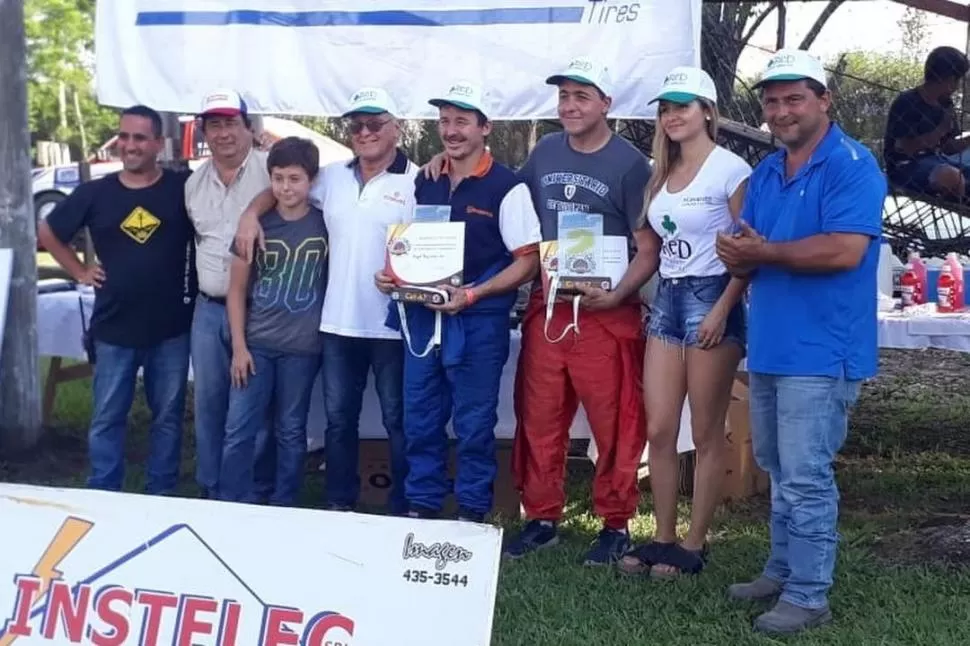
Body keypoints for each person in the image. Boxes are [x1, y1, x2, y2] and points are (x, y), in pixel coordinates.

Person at [715, 49, 885, 635]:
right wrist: (740, 251)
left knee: (807, 473)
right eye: (772, 101)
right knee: (776, 465)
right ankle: (782, 569)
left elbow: (845, 250)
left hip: (823, 348)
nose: (782, 111)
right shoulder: (767, 171)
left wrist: (759, 253)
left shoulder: (852, 165)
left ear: (823, 101)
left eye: (794, 99)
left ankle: (810, 594)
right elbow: (748, 241)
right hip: (772, 343)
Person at [233, 88, 417, 514]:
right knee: (338, 422)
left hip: (393, 323)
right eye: (357, 125)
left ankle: (406, 504)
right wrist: (249, 214)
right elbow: (281, 190)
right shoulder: (332, 176)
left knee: (397, 420)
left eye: (375, 123)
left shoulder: (418, 179)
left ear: (396, 128)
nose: (365, 132)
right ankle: (339, 501)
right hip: (336, 325)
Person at [504, 58, 655, 565]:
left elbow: (647, 246)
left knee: (614, 423)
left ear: (606, 104)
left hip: (605, 313)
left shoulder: (631, 165)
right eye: (564, 96)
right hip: (550, 308)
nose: (569, 106)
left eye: (581, 97)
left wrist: (618, 296)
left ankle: (615, 523)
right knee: (540, 418)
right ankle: (541, 516)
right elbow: (511, 201)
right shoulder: (545, 152)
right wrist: (448, 163)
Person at [376, 82, 541, 522]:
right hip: (423, 318)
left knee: (473, 424)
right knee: (421, 420)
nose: (451, 131)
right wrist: (392, 276)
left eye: (462, 122)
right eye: (445, 121)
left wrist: (474, 294)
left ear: (484, 128)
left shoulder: (508, 187)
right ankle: (423, 505)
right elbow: (410, 248)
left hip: (478, 322)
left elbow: (528, 262)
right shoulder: (425, 180)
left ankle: (471, 510)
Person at [618, 67, 750, 578]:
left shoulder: (730, 170)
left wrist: (722, 308)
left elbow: (748, 248)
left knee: (706, 429)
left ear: (708, 111)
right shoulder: (660, 172)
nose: (672, 115)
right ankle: (664, 535)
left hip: (712, 294)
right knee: (660, 427)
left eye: (683, 105)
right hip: (667, 301)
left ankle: (695, 543)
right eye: (665, 107)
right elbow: (651, 249)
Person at [38, 105, 196, 495]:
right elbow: (47, 230)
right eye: (124, 136)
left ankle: (163, 494)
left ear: (158, 143)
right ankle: (104, 494)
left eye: (140, 138)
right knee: (108, 417)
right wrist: (78, 271)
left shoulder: (181, 188)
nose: (130, 145)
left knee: (168, 417)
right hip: (114, 327)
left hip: (171, 328)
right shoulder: (95, 193)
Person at [221, 137, 328, 506]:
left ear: (311, 181)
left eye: (295, 178)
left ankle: (285, 505)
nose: (286, 187)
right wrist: (239, 346)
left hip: (303, 348)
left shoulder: (325, 225)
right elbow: (235, 291)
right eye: (278, 178)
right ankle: (232, 500)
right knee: (240, 428)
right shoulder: (255, 227)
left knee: (291, 430)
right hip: (257, 345)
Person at [185, 89, 276, 500]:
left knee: (251, 408)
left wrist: (252, 211)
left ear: (248, 128)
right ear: (205, 131)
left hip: (259, 309)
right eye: (214, 125)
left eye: (231, 123)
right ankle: (210, 488)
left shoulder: (270, 168)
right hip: (208, 309)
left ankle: (250, 490)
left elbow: (295, 185)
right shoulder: (193, 183)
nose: (223, 133)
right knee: (208, 403)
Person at [884, 46, 970, 198]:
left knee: (953, 173)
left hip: (937, 160)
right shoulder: (907, 101)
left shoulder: (945, 104)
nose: (957, 87)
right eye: (957, 80)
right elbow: (905, 148)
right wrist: (940, 130)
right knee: (951, 176)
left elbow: (948, 147)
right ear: (949, 80)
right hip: (905, 167)